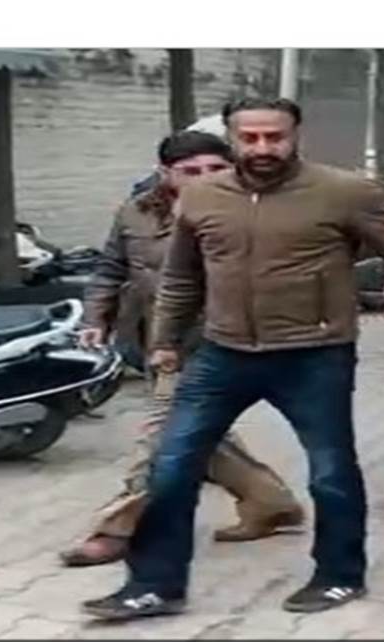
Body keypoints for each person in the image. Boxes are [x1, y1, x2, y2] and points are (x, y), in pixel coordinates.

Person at [80, 97, 384, 621]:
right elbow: (183, 275)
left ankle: (339, 576)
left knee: (330, 471)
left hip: (315, 355)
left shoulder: (346, 192)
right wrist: (165, 340)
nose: (263, 147)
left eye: (274, 137)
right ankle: (154, 586)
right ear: (232, 139)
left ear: (295, 136)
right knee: (171, 465)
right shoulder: (202, 196)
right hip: (222, 353)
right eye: (250, 138)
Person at [60, 131, 303, 568]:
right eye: (190, 171)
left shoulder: (257, 209)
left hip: (227, 341)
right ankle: (270, 503)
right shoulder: (135, 213)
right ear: (165, 174)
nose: (204, 178)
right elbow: (111, 268)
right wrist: (96, 318)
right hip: (163, 342)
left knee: (163, 433)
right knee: (199, 432)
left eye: (216, 168)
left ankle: (119, 528)